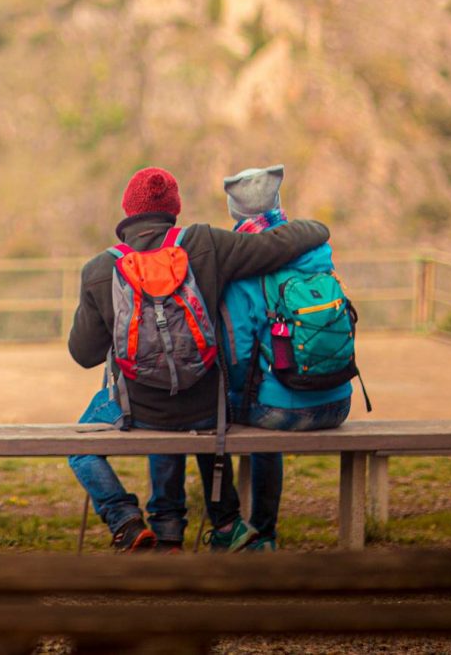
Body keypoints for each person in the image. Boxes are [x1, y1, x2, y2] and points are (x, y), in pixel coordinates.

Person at [66, 166, 331, 551]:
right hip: (208, 408)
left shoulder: (100, 269)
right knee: (191, 407)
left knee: (79, 446)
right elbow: (276, 246)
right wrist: (318, 228)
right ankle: (219, 524)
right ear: (174, 208)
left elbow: (83, 354)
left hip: (139, 409)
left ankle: (125, 518)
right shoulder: (205, 244)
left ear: (127, 210)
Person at [219, 164, 353, 551]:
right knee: (270, 396)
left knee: (226, 414)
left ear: (235, 212)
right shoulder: (316, 255)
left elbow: (239, 354)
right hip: (338, 400)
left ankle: (258, 532)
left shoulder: (244, 267)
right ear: (278, 203)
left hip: (286, 413)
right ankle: (264, 530)